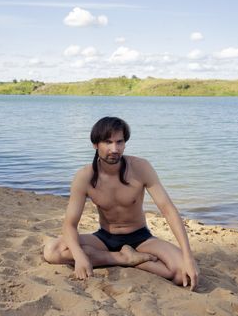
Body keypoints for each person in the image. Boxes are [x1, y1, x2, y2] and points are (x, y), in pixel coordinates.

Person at [44, 117, 199, 291]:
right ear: (95, 144)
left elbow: (168, 210)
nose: (115, 149)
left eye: (120, 142)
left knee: (182, 275)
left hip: (140, 238)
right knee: (52, 250)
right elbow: (69, 224)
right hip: (104, 238)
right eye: (108, 142)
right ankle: (122, 259)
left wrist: (188, 256)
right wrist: (80, 257)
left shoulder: (141, 168)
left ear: (125, 143)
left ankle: (131, 258)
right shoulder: (85, 176)